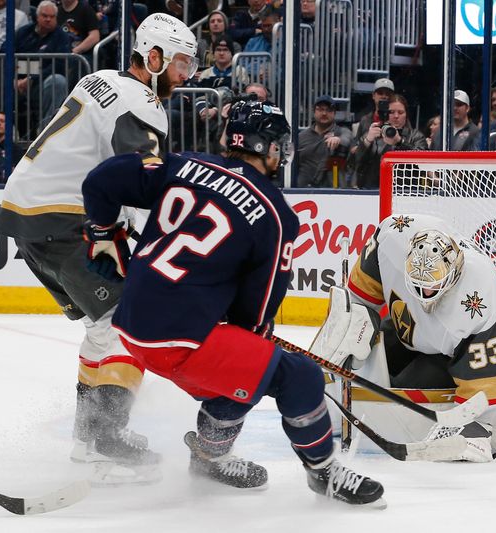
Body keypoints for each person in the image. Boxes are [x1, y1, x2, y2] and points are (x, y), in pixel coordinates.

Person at [80, 99, 385, 506]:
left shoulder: (182, 164)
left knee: (248, 374)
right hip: (179, 340)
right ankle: (324, 474)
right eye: (279, 144)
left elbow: (101, 180)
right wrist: (254, 338)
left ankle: (210, 458)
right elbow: (255, 314)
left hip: (131, 327)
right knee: (299, 377)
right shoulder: (276, 213)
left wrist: (103, 232)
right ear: (268, 147)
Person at [0, 13, 199, 485]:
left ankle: (89, 439)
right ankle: (105, 437)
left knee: (100, 325)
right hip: (63, 219)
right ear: (154, 56)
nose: (186, 76)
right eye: (181, 63)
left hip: (27, 212)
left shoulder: (99, 78)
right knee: (129, 320)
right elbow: (142, 181)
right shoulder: (142, 102)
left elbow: (103, 164)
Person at [311, 213, 496, 463]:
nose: (425, 294)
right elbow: (361, 294)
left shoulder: (476, 300)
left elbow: (490, 377)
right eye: (417, 285)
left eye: (432, 287)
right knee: (363, 364)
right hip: (415, 328)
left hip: (479, 343)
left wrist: (476, 424)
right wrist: (351, 324)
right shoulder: (393, 237)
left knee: (401, 385)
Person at [13, 1, 72, 132]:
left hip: (41, 83)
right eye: (45, 16)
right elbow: (5, 52)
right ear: (37, 16)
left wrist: (31, 79)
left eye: (52, 17)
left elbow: (59, 65)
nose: (48, 19)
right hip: (17, 82)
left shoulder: (61, 37)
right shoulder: (23, 32)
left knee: (58, 80)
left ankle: (45, 132)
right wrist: (13, 79)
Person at [353, 94, 427, 189]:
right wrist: (367, 141)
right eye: (391, 112)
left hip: (406, 193)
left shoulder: (416, 136)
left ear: (406, 114)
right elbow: (352, 164)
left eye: (400, 112)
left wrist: (400, 142)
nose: (396, 116)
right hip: (373, 192)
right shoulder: (373, 133)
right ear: (385, 114)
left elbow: (423, 161)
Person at [296, 94, 352, 187]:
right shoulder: (301, 137)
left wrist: (338, 139)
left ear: (334, 113)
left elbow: (347, 139)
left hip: (333, 193)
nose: (324, 113)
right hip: (302, 192)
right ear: (314, 112)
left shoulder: (342, 132)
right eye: (320, 109)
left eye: (329, 110)